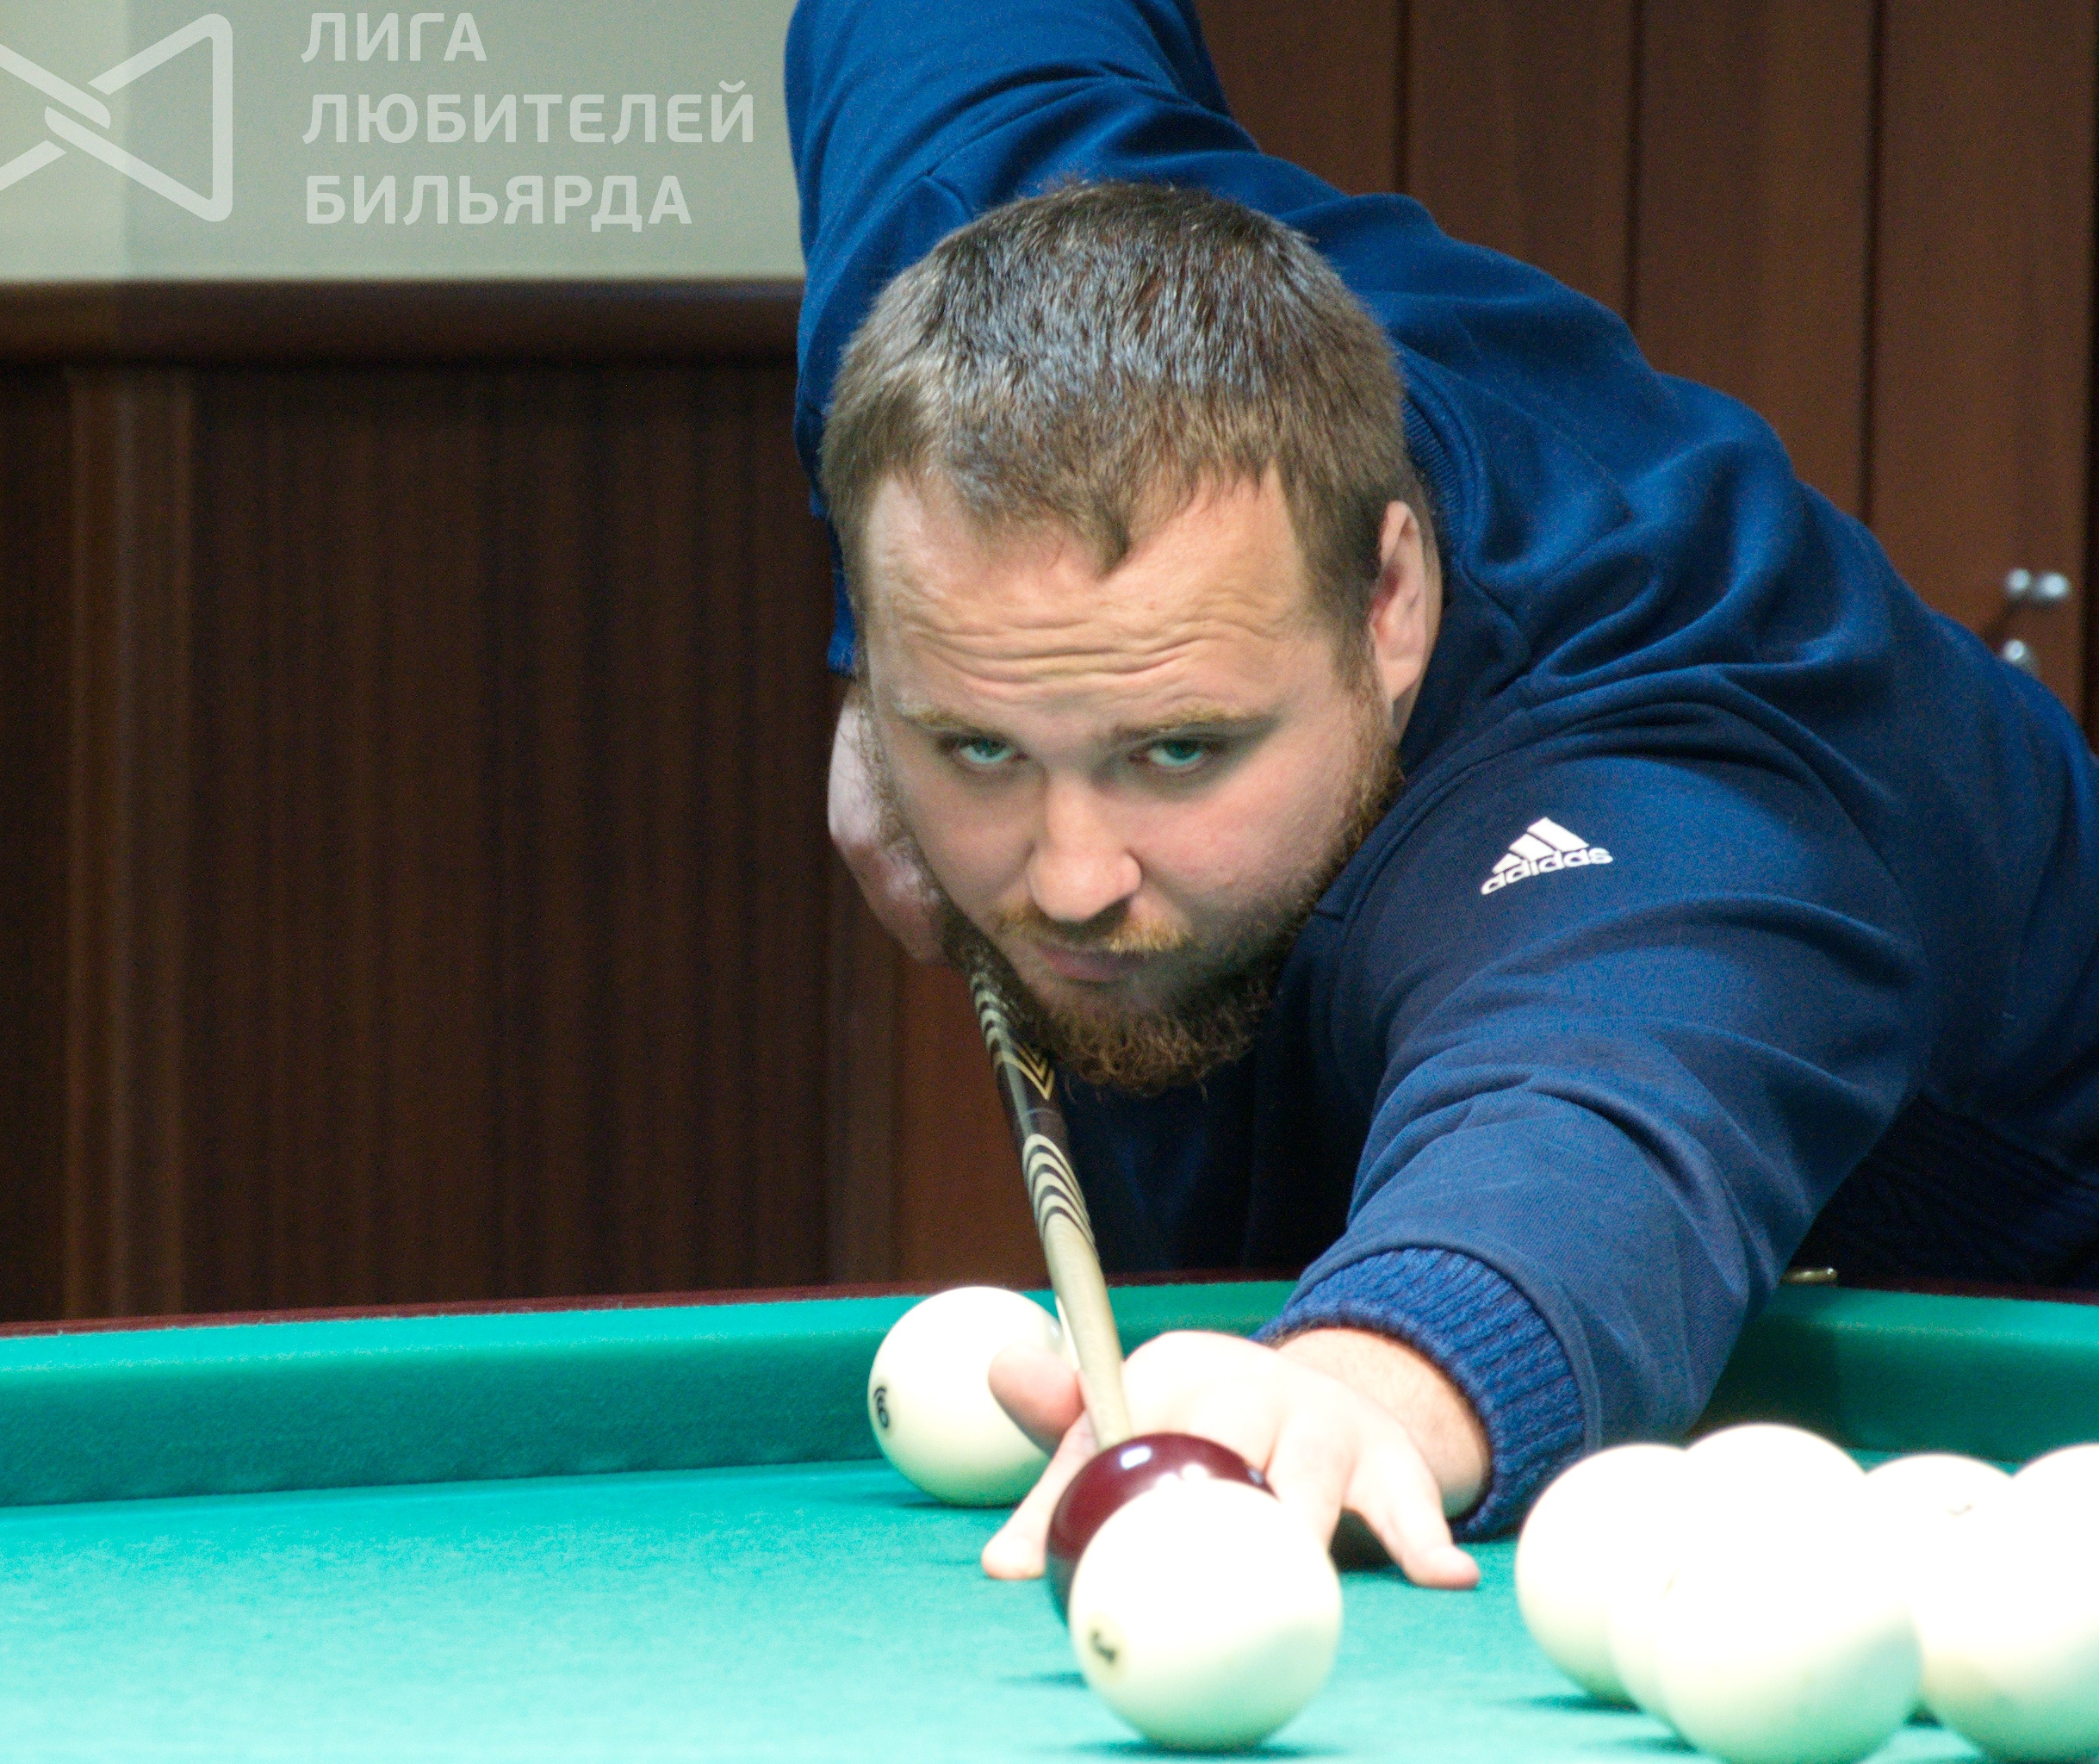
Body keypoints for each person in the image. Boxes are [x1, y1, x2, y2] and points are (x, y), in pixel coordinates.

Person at [786, 0, 2099, 1591]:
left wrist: (1369, 1377)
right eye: (982, 751)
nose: (1068, 878)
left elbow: (1599, 1106)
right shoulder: (975, 216)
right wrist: (889, 653)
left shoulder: (1664, 799)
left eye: (1178, 750)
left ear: (1389, 603)